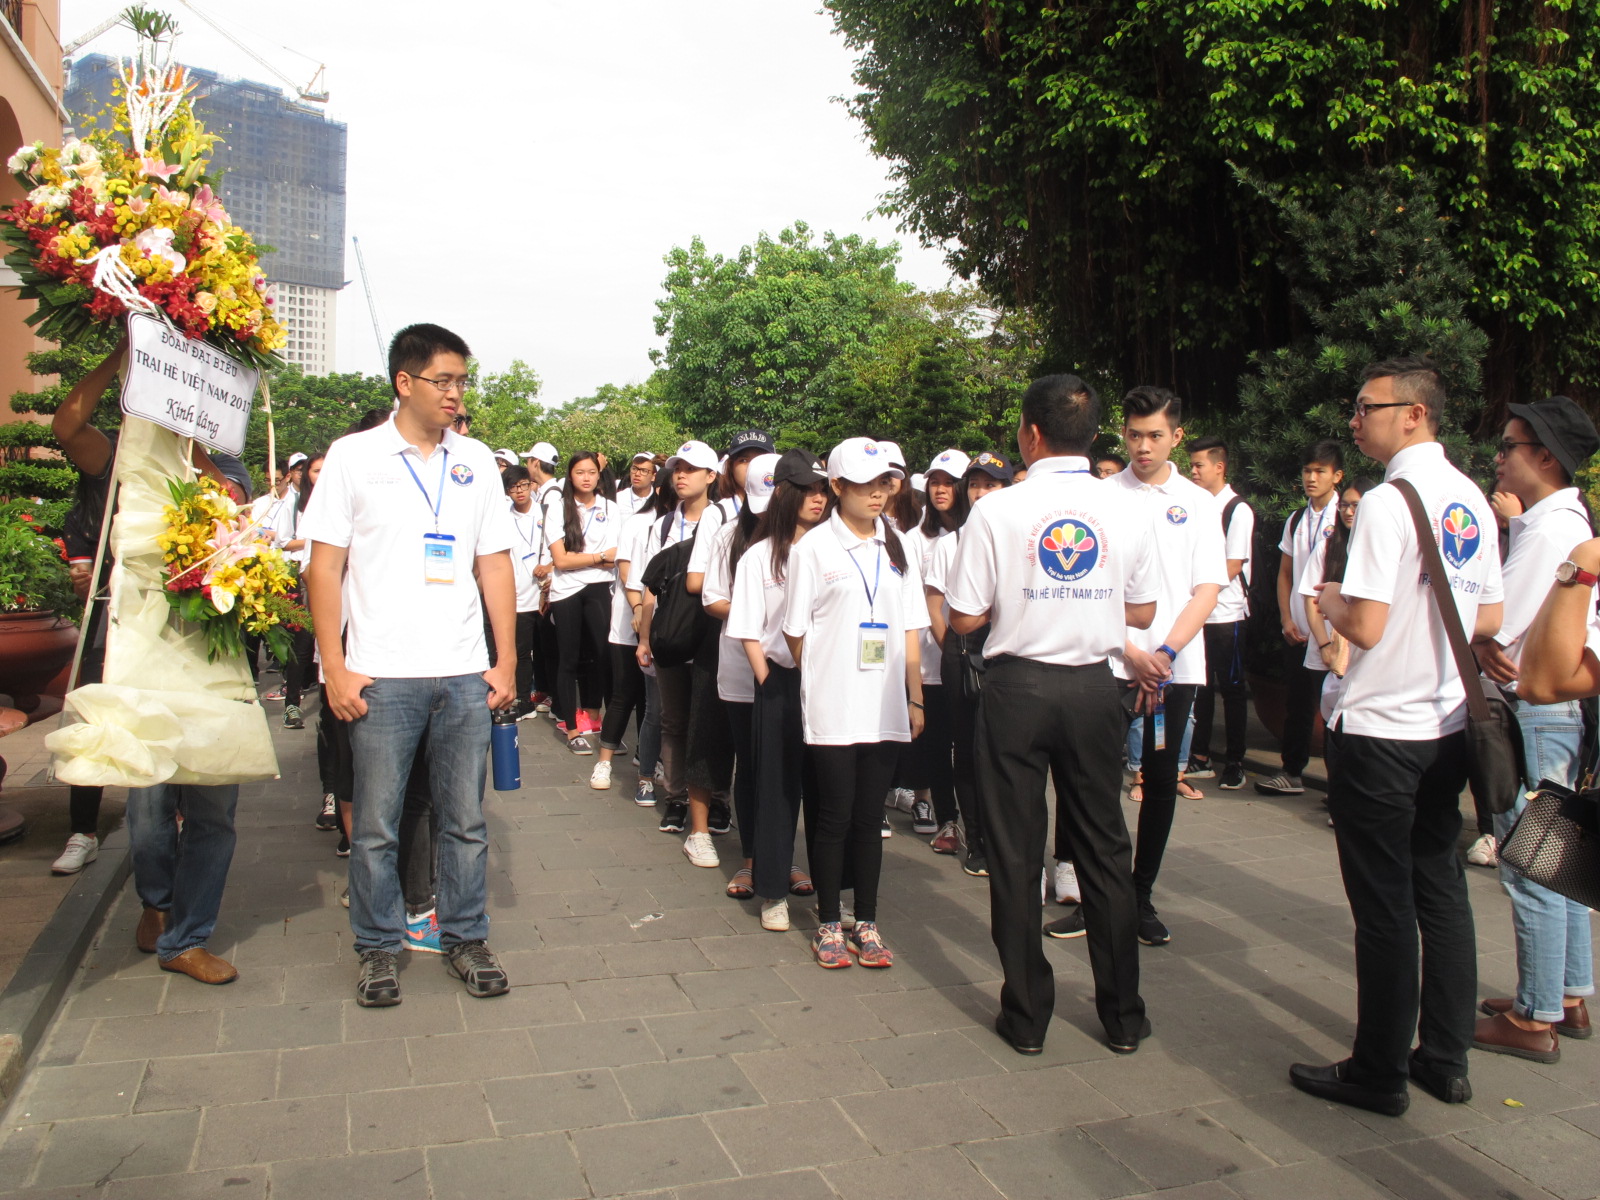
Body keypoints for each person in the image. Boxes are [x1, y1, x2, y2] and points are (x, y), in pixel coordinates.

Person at [1291, 356, 1503, 1116]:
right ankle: (1445, 1057)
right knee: (1440, 889)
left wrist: (1331, 598)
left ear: (1414, 414)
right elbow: (1489, 617)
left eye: (1366, 407)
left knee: (1383, 905)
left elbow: (1368, 627)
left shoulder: (1385, 502)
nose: (1355, 421)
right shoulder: (1471, 499)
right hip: (1447, 724)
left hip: (1382, 728)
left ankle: (1378, 1070)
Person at [303, 322, 516, 1008]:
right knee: (376, 826)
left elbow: (494, 563)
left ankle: (465, 937)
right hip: (382, 675)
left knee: (465, 821)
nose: (456, 394)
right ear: (405, 381)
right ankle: (377, 947)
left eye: (462, 382)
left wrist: (506, 660)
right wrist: (334, 668)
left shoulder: (475, 460)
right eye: (442, 381)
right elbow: (324, 567)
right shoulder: (354, 456)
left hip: (462, 672)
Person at [946, 374, 1157, 1056]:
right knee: (1104, 847)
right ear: (1092, 435)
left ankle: (1028, 1016)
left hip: (1018, 689)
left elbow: (964, 617)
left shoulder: (998, 510)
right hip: (1095, 689)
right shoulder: (1126, 507)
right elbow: (1144, 610)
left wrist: (1025, 597)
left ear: (1030, 434)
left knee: (1015, 850)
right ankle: (1122, 1015)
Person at [1468, 395, 1597, 1063]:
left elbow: (1497, 623)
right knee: (1561, 860)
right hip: (1553, 713)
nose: (1499, 456)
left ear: (1545, 457)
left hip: (1533, 713)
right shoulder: (1559, 522)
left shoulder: (1550, 530)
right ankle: (1568, 994)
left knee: (1531, 865)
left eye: (1511, 445)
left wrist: (1475, 637)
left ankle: (1534, 1016)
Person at [784, 437, 928, 969]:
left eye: (884, 482)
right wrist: (826, 675)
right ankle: (827, 922)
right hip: (834, 704)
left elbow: (910, 627)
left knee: (869, 818)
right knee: (834, 815)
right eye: (865, 484)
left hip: (885, 704)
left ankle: (865, 921)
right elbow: (795, 632)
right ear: (837, 486)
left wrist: (915, 697)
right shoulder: (813, 549)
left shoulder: (897, 543)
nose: (878, 493)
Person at [1109, 387, 1226, 947]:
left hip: (1174, 669)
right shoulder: (1104, 495)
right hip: (1111, 663)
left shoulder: (1199, 503)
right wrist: (1130, 651)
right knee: (1092, 783)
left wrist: (1166, 654)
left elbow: (1207, 589)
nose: (1143, 446)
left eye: (1155, 435)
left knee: (1159, 782)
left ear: (1176, 436)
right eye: (1134, 435)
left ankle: (1140, 896)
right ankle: (1098, 894)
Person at [729, 449, 831, 930]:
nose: (818, 499)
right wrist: (768, 680)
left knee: (828, 791)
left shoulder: (835, 550)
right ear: (785, 495)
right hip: (780, 681)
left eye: (823, 490)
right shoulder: (759, 555)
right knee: (775, 790)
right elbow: (748, 629)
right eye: (807, 490)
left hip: (830, 682)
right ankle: (772, 890)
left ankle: (834, 894)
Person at [634, 440, 729, 848]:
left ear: (711, 476)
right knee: (673, 720)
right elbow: (649, 586)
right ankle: (675, 797)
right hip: (671, 635)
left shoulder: (725, 518)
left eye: (691, 469)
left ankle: (718, 798)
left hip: (711, 633)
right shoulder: (662, 526)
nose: (681, 476)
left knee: (712, 721)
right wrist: (644, 637)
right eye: (677, 468)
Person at [698, 452, 781, 893]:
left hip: (791, 670)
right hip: (739, 670)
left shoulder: (808, 538)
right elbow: (712, 598)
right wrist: (754, 612)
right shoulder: (729, 535)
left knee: (784, 771)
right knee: (749, 767)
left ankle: (783, 858)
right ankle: (751, 859)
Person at [1258, 440, 1345, 795]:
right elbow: (1285, 573)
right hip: (1298, 628)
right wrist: (1286, 618)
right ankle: (1292, 772)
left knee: (1337, 707)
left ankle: (1340, 789)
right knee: (1297, 703)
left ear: (1337, 476)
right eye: (1307, 470)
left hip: (1333, 629)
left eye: (1320, 471)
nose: (1311, 478)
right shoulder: (1297, 518)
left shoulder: (1345, 517)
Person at [592, 467, 674, 795]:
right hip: (630, 623)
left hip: (664, 628)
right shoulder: (639, 523)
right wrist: (640, 611)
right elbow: (628, 571)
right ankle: (605, 761)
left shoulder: (685, 523)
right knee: (625, 694)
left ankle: (647, 757)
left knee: (653, 704)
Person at [907, 450, 970, 848]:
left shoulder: (979, 533)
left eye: (949, 482)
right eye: (935, 482)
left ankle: (977, 824)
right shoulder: (915, 539)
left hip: (976, 661)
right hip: (932, 660)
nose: (940, 490)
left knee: (970, 747)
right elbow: (919, 602)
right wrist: (951, 650)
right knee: (937, 742)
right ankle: (946, 817)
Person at [1185, 436, 1254, 790]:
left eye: (1199, 465)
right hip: (1199, 612)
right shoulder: (1195, 505)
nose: (1194, 472)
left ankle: (1236, 761)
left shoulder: (1236, 509)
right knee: (1201, 685)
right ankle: (1200, 756)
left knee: (1232, 688)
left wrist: (1198, 590)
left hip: (1226, 613)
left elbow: (1233, 564)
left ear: (1219, 467)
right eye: (1191, 466)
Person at [546, 452, 619, 754]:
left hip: (600, 587)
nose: (586, 478)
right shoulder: (557, 507)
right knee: (569, 659)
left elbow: (614, 556)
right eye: (579, 472)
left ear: (599, 475)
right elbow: (561, 561)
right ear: (570, 476)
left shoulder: (610, 508)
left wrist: (585, 559)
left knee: (602, 655)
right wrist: (597, 557)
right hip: (566, 590)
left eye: (591, 472)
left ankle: (600, 722)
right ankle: (572, 729)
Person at [277, 451, 324, 732]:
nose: (322, 476)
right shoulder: (295, 504)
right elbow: (283, 541)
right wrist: (317, 541)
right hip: (303, 577)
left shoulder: (340, 500)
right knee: (303, 642)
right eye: (316, 471)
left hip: (337, 578)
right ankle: (292, 703)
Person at [503, 466, 542, 719]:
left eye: (523, 485)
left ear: (531, 485)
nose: (519, 491)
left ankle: (537, 696)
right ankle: (521, 698)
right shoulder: (503, 517)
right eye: (513, 487)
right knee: (519, 649)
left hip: (543, 589)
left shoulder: (545, 513)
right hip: (516, 592)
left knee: (542, 650)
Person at [617, 451, 659, 519]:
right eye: (634, 469)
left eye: (644, 471)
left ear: (653, 476)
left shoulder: (659, 503)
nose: (637, 474)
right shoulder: (618, 499)